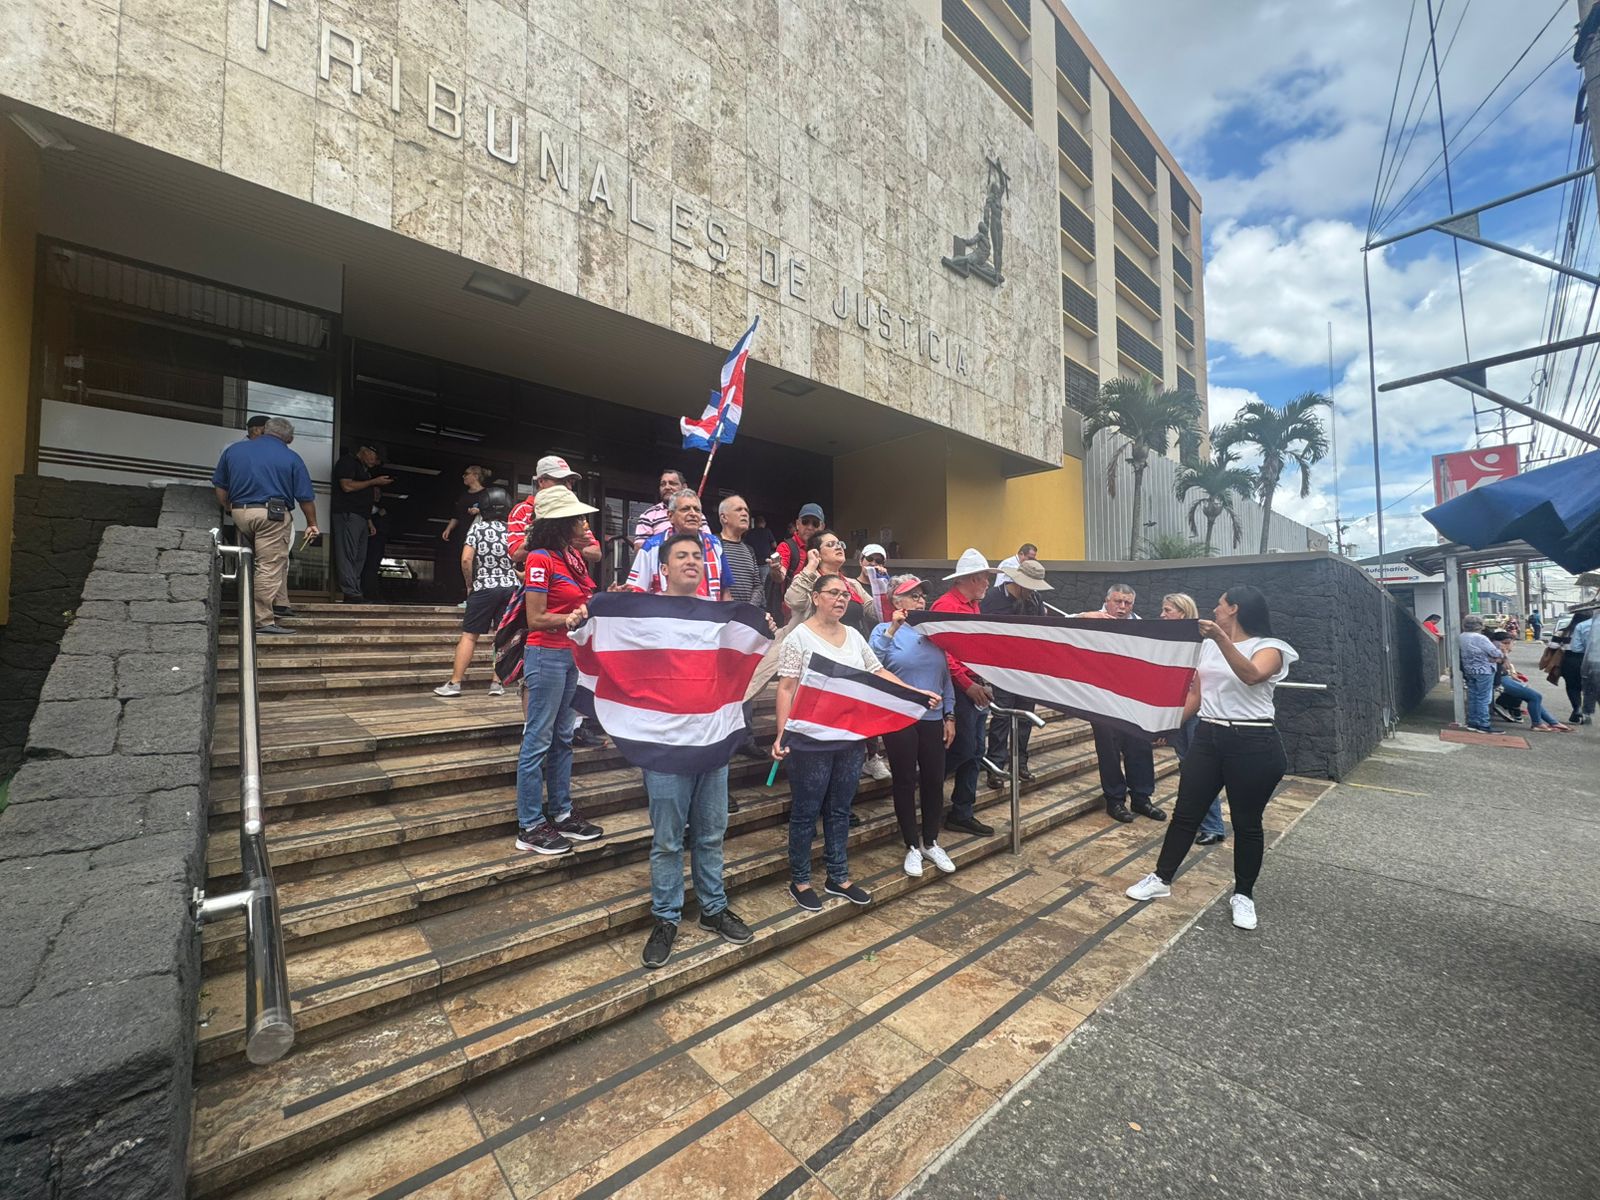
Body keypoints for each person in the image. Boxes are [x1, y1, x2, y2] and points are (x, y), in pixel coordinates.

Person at [1126, 586, 1299, 931]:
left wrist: (1221, 638)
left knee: (1247, 823)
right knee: (1185, 814)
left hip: (1253, 740)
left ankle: (1244, 895)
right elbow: (1197, 693)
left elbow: (1251, 675)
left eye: (1220, 606)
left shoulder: (1272, 648)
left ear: (1234, 609)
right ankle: (1161, 878)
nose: (1215, 610)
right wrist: (1170, 725)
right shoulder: (1208, 647)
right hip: (1209, 736)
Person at [773, 572, 939, 911]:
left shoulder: (853, 636)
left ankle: (838, 876)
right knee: (806, 812)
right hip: (809, 740)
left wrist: (914, 692)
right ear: (816, 597)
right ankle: (801, 880)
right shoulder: (798, 638)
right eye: (832, 593)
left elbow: (878, 672)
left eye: (845, 595)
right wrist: (781, 733)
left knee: (839, 809)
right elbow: (786, 688)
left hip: (849, 739)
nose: (840, 599)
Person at [638, 532, 755, 968]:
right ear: (663, 569)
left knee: (710, 834)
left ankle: (713, 909)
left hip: (712, 743)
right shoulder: (643, 616)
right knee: (668, 841)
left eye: (697, 556)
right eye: (681, 556)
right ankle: (666, 918)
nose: (691, 561)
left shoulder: (718, 617)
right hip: (665, 748)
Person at [513, 486, 607, 855]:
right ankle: (530, 824)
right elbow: (534, 617)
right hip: (547, 656)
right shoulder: (540, 559)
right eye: (579, 518)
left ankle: (562, 812)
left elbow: (582, 603)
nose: (585, 524)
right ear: (560, 523)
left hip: (571, 657)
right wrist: (566, 617)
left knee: (563, 736)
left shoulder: (573, 558)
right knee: (538, 739)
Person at [871, 575, 958, 877]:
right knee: (905, 780)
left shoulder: (933, 633)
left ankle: (931, 841)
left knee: (934, 779)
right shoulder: (883, 630)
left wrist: (950, 714)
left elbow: (945, 676)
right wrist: (894, 627)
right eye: (913, 596)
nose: (921, 601)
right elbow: (872, 664)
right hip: (899, 718)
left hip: (933, 720)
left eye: (922, 596)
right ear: (897, 601)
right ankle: (911, 845)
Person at [211, 416, 319, 635]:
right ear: (288, 438)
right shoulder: (291, 457)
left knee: (254, 562)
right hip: (272, 515)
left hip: (240, 512)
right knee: (269, 566)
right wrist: (312, 523)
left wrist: (231, 509)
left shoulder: (234, 451)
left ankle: (278, 604)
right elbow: (305, 497)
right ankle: (262, 621)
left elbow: (220, 488)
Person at [1078, 583, 1164, 824]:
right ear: (1107, 601)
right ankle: (1115, 800)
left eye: (1127, 603)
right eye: (1118, 602)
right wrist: (1084, 616)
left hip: (1135, 699)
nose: (1122, 607)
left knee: (1140, 748)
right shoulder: (1091, 620)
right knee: (1109, 751)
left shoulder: (1142, 626)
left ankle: (1142, 798)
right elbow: (1061, 625)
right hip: (1103, 699)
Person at [932, 548, 999, 838]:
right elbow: (944, 653)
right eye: (984, 578)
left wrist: (985, 679)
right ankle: (931, 787)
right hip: (957, 688)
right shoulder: (946, 605)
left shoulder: (972, 605)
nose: (987, 583)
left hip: (972, 685)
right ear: (972, 579)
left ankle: (962, 811)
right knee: (964, 748)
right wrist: (967, 684)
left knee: (975, 751)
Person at [433, 486, 516, 699]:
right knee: (502, 636)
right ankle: (497, 683)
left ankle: (455, 683)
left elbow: (466, 559)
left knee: (470, 636)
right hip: (510, 587)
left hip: (484, 587)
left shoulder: (477, 529)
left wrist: (470, 584)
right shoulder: (513, 531)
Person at [1159, 593, 1225, 845]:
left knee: (1199, 772)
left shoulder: (1203, 643)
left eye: (1168, 610)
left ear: (1183, 613)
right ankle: (1198, 821)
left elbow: (1198, 688)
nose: (1163, 615)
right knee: (1188, 770)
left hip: (1195, 714)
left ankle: (1213, 825)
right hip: (1178, 711)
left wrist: (1172, 720)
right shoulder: (1169, 641)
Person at [981, 559, 1052, 785]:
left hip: (1027, 669)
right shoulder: (993, 599)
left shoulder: (1034, 599)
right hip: (1001, 667)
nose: (1032, 590)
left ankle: (1020, 762)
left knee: (1024, 719)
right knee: (1002, 717)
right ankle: (995, 766)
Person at [626, 490, 726, 599]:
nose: (693, 513)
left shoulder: (715, 545)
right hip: (665, 614)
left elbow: (725, 592)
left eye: (697, 510)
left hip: (706, 614)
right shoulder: (651, 547)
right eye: (685, 509)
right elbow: (635, 591)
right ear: (670, 516)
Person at [331, 444, 393, 601]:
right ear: (365, 451)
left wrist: (369, 521)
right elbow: (346, 486)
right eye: (375, 457)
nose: (376, 462)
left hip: (362, 517)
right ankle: (350, 591)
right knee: (348, 554)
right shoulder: (348, 462)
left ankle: (354, 590)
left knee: (360, 556)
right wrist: (373, 482)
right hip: (348, 514)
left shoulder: (364, 470)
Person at [1488, 630, 1568, 731]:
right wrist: (1505, 655)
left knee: (1533, 696)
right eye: (1510, 643)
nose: (1511, 646)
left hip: (1503, 678)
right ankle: (1538, 724)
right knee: (1535, 696)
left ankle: (1553, 722)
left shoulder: (1496, 650)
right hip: (1501, 680)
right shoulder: (1497, 651)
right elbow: (1501, 667)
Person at [439, 465, 490, 603]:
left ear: (475, 475)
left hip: (480, 536)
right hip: (463, 534)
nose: (464, 476)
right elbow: (456, 514)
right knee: (462, 563)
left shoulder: (487, 494)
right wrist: (448, 528)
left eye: (466, 473)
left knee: (475, 563)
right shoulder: (463, 495)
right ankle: (462, 594)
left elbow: (495, 514)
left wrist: (479, 511)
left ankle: (475, 595)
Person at [770, 502, 827, 608]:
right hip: (793, 611)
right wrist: (776, 571)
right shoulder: (786, 547)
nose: (810, 527)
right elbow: (780, 576)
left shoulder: (825, 548)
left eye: (815, 523)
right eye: (805, 522)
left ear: (822, 526)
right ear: (797, 524)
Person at [1458, 614, 1503, 733]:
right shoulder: (1480, 638)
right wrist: (1499, 655)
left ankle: (1472, 722)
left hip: (1469, 669)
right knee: (1483, 697)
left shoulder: (1462, 636)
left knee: (1472, 695)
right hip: (1484, 670)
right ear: (1480, 626)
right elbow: (1495, 653)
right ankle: (1484, 724)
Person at [633, 468, 687, 550]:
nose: (667, 487)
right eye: (663, 484)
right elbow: (640, 550)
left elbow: (708, 544)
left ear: (684, 487)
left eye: (672, 483)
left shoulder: (695, 514)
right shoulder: (648, 516)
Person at [1552, 610, 1591, 722]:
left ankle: (1577, 709)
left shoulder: (1563, 632)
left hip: (1570, 661)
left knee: (1572, 687)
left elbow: (1553, 646)